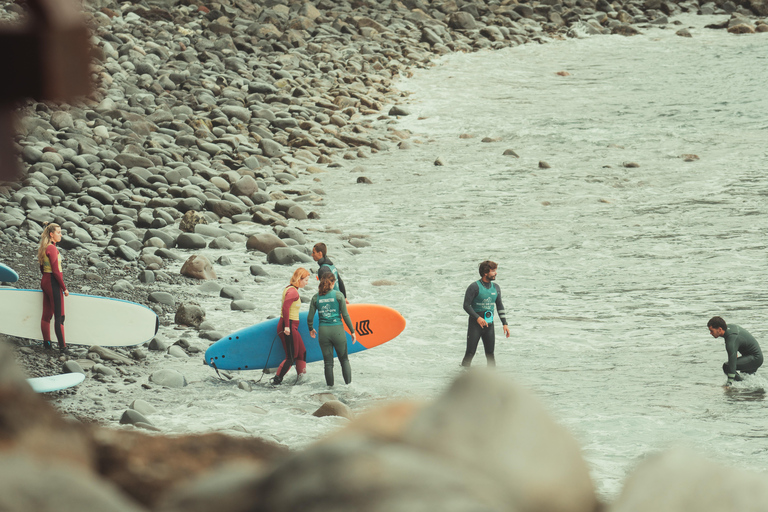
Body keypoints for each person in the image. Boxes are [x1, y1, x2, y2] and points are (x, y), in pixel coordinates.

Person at [308, 272, 356, 387]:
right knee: (344, 360)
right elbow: (345, 315)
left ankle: (330, 390)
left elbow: (310, 317)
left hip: (323, 332)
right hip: (337, 331)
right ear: (333, 282)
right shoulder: (338, 295)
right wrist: (352, 331)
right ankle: (349, 388)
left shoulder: (316, 297)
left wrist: (311, 328)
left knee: (328, 363)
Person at [462, 260, 510, 367]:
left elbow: (499, 305)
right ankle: (463, 378)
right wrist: (477, 318)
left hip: (489, 325)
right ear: (485, 272)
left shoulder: (496, 288)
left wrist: (505, 324)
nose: (496, 273)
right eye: (493, 271)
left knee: (490, 354)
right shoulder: (474, 287)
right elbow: (466, 305)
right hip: (476, 325)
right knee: (470, 353)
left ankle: (492, 380)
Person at [272, 267, 310, 385]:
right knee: (291, 356)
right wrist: (287, 327)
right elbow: (285, 307)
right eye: (306, 280)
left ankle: (301, 379)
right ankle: (276, 381)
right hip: (289, 325)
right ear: (300, 279)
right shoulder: (293, 291)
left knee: (302, 352)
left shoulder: (291, 289)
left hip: (291, 326)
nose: (307, 283)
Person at [707, 316, 763, 387]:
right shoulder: (729, 329)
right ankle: (749, 391)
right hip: (753, 357)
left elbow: (732, 363)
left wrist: (729, 383)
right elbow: (736, 347)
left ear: (719, 329)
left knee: (727, 366)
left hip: (755, 358)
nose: (710, 333)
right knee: (747, 379)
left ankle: (739, 386)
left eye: (712, 331)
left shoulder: (731, 338)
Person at [38, 222, 69, 350]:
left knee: (46, 315)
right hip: (53, 282)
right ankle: (63, 348)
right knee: (59, 316)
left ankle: (47, 344)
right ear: (51, 234)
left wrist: (47, 280)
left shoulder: (44, 248)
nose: (60, 235)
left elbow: (42, 267)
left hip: (45, 281)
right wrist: (64, 288)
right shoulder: (52, 248)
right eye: (58, 232)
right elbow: (56, 271)